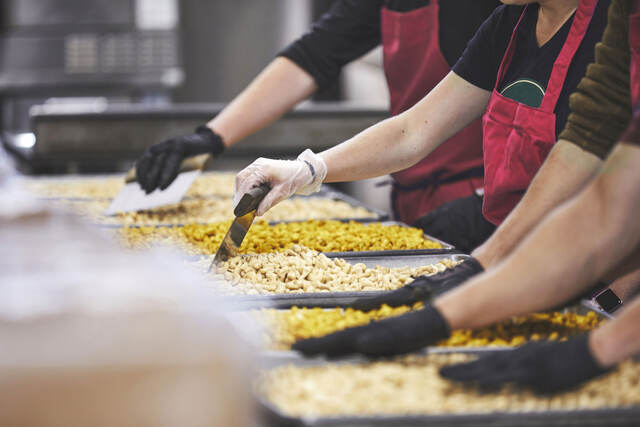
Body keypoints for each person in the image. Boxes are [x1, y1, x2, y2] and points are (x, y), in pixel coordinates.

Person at [293, 0, 640, 394]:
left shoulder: (606, 22)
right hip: (534, 264)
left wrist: (610, 320)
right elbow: (414, 130)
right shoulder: (517, 22)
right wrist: (307, 170)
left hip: (596, 280)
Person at [235, 0, 610, 252]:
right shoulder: (509, 24)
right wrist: (307, 170)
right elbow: (412, 131)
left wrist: (614, 295)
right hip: (518, 253)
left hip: (591, 264)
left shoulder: (616, 31)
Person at [135, 1, 501, 240]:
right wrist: (211, 137)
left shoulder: (497, 12)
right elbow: (313, 56)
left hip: (487, 202)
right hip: (415, 194)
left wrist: (490, 203)